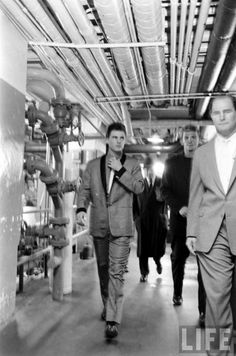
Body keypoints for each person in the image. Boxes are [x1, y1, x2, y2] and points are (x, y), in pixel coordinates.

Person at [76, 122, 144, 339]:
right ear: (107, 140)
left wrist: (120, 170)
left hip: (122, 227)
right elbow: (84, 190)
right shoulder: (93, 165)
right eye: (114, 137)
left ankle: (113, 320)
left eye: (121, 138)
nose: (118, 141)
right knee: (103, 269)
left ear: (125, 140)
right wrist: (80, 209)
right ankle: (107, 305)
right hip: (99, 224)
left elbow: (139, 187)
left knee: (116, 272)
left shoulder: (132, 164)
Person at [186, 95, 236, 355]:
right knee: (216, 301)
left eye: (227, 111)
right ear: (212, 117)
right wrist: (191, 231)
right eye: (217, 113)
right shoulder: (202, 153)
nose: (222, 116)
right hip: (212, 234)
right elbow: (195, 194)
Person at [160, 125, 206, 323]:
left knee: (205, 266)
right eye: (186, 137)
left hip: (204, 223)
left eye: (193, 137)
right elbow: (164, 190)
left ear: (198, 140)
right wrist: (179, 207)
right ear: (182, 140)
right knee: (178, 260)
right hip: (180, 222)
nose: (190, 141)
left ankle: (203, 310)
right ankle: (177, 293)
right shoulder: (171, 163)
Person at [133, 163, 167, 282]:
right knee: (143, 249)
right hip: (142, 220)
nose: (149, 172)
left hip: (156, 220)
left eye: (151, 169)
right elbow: (134, 202)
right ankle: (144, 272)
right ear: (144, 171)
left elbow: (166, 199)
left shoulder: (161, 182)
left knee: (156, 247)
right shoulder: (139, 183)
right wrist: (136, 219)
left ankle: (158, 262)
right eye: (147, 170)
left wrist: (161, 196)